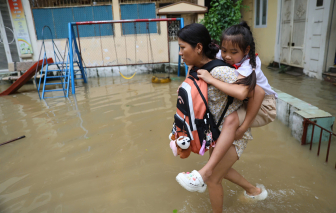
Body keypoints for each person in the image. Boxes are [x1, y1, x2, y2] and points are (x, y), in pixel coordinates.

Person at [174, 23, 267, 212]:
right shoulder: (196, 68)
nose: (180, 53)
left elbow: (256, 91)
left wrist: (243, 127)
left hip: (233, 133)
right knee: (220, 171)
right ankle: (254, 191)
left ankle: (210, 185)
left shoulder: (219, 71)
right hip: (217, 132)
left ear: (198, 47)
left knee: (213, 177)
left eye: (183, 48)